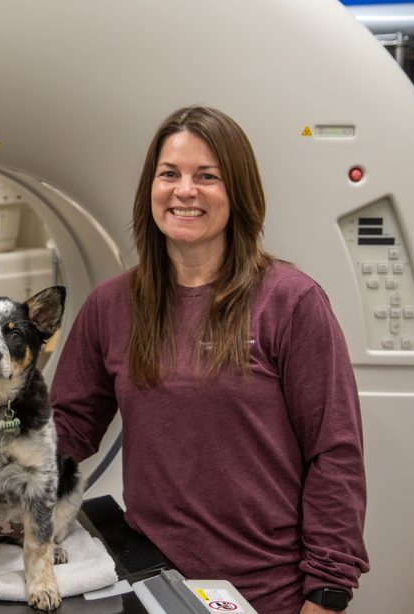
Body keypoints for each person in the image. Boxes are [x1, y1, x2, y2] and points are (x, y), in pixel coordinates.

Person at [50, 106, 369, 613]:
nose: (184, 190)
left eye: (207, 177)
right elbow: (70, 427)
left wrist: (327, 590)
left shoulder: (291, 302)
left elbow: (335, 452)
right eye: (169, 174)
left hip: (263, 588)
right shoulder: (111, 305)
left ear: (237, 192)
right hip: (148, 577)